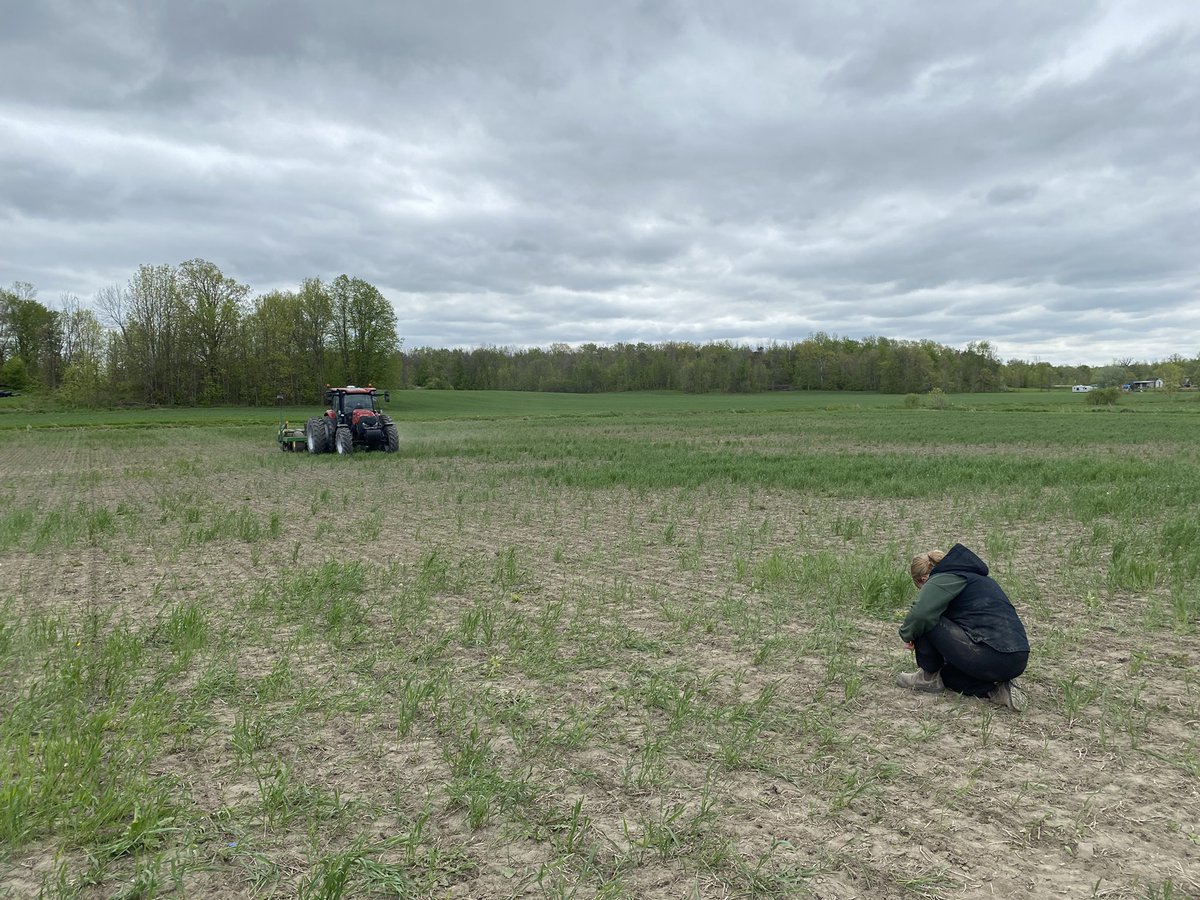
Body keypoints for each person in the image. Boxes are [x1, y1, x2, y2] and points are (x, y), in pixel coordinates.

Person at [896, 543, 1030, 710]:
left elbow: (920, 615)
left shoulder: (941, 579)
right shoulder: (978, 580)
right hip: (1017, 659)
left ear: (923, 579)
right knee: (948, 676)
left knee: (927, 617)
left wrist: (908, 634)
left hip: (987, 654)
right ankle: (997, 691)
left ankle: (928, 677)